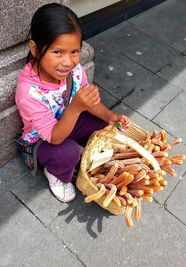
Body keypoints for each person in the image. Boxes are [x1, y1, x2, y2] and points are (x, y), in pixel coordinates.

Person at [15, 3, 130, 203]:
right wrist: (76, 107)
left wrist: (111, 116)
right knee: (67, 153)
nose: (68, 62)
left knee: (101, 123)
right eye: (57, 52)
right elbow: (55, 137)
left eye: (74, 51)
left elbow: (91, 104)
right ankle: (57, 174)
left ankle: (81, 150)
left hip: (68, 124)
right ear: (34, 48)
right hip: (43, 142)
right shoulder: (29, 92)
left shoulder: (74, 72)